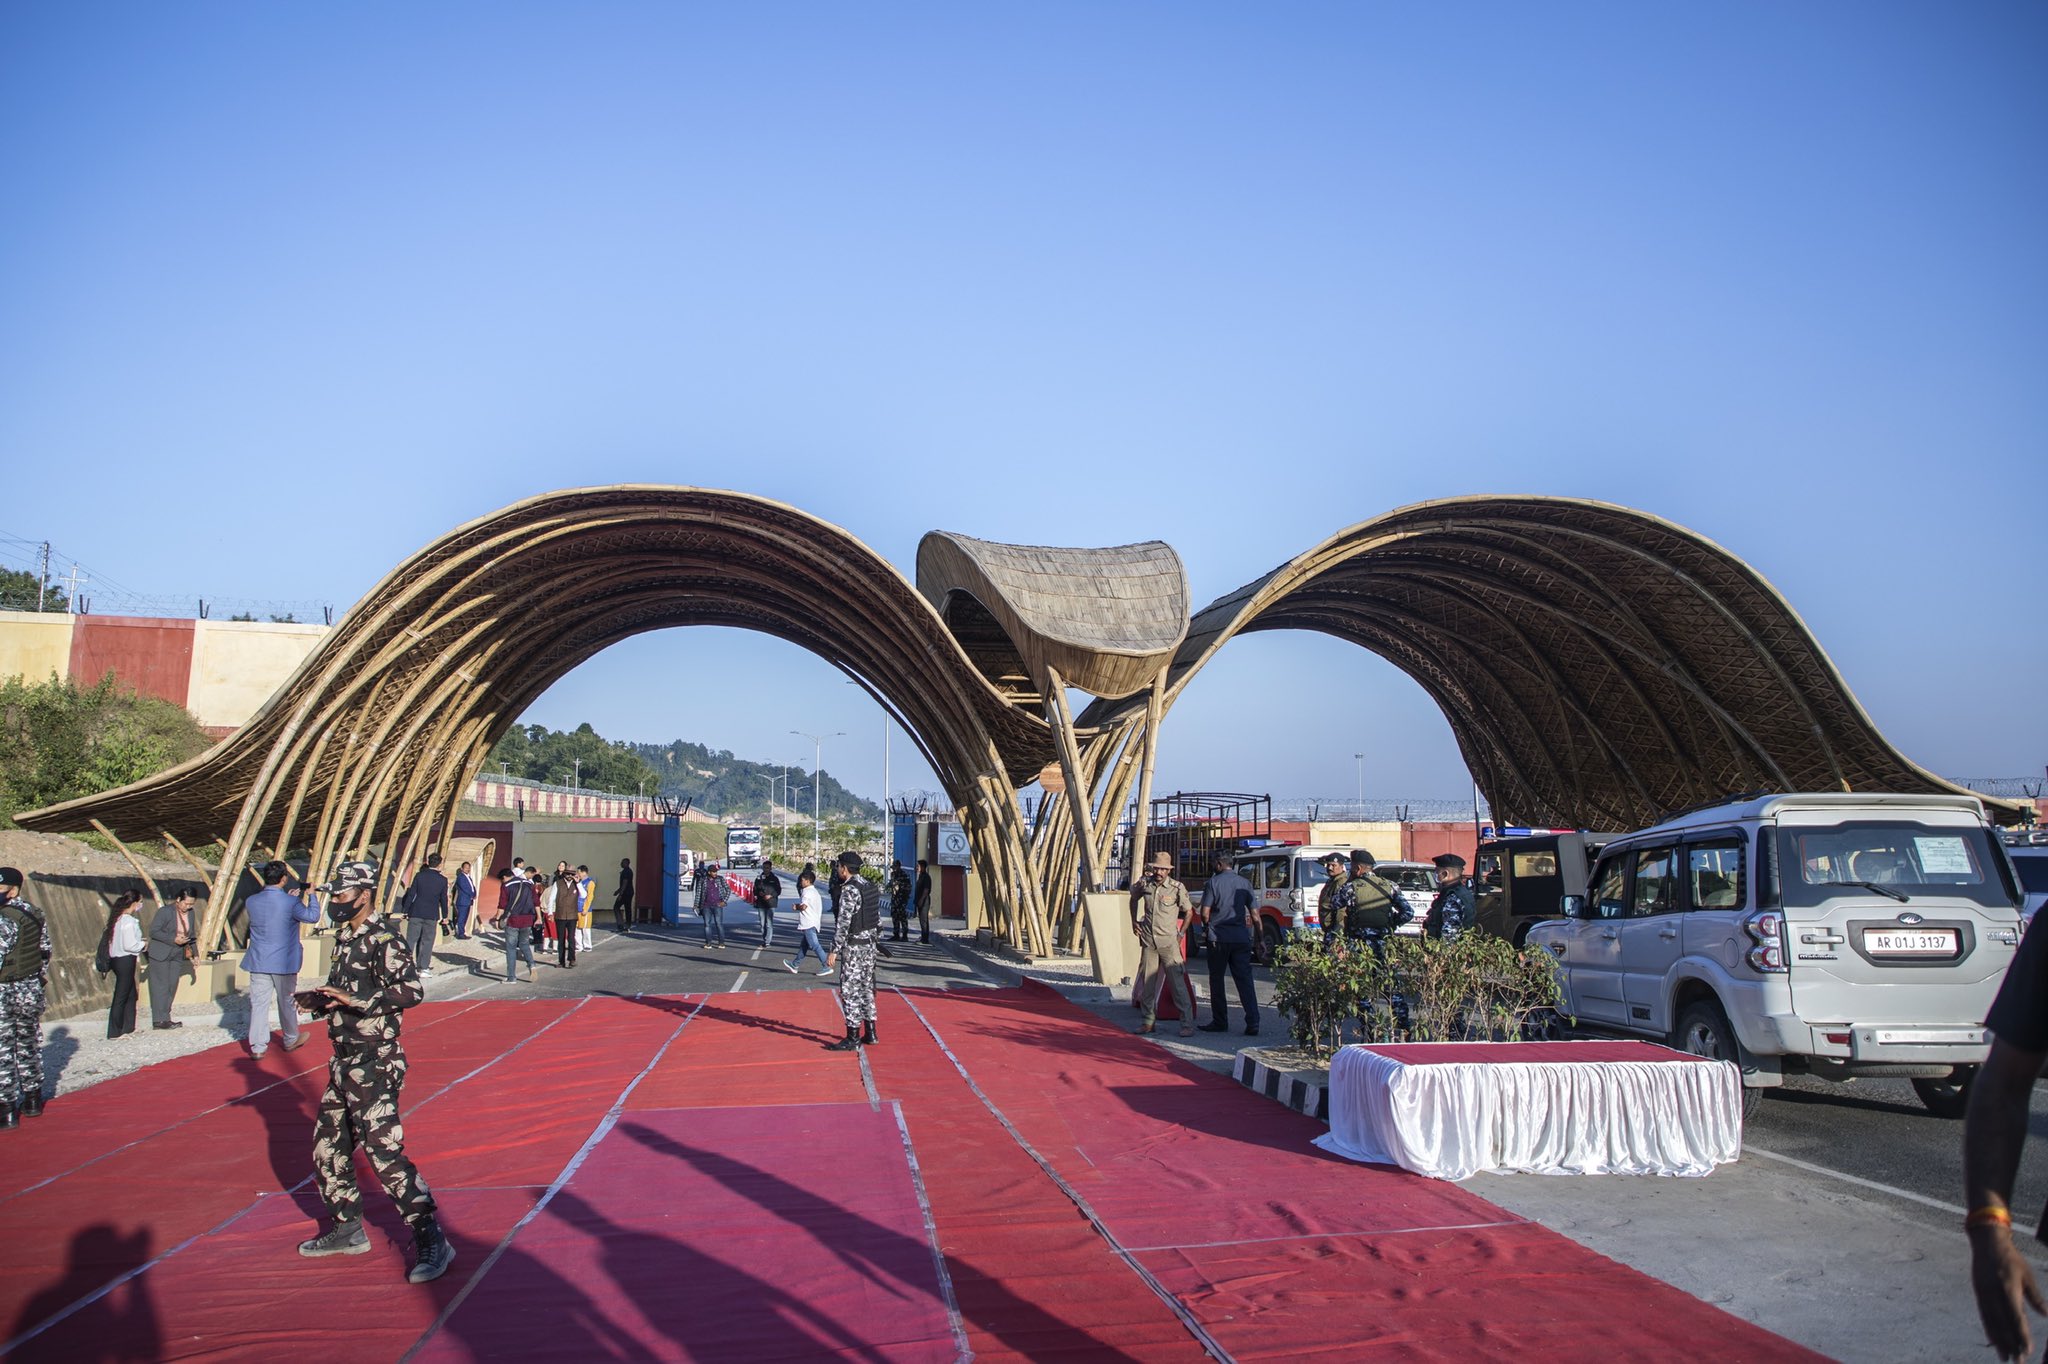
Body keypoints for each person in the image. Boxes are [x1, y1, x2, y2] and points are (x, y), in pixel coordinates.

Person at [294, 860, 453, 1284]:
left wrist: (355, 999)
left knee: (384, 1152)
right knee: (328, 1148)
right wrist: (325, 1000)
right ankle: (347, 1228)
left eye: (342, 896)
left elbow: (411, 990)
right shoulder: (346, 939)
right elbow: (348, 993)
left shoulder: (384, 939)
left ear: (364, 895)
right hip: (344, 1058)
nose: (336, 903)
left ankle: (431, 1237)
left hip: (375, 1059)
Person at [242, 861, 322, 1059]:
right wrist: (311, 895)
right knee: (286, 1001)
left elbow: (272, 913)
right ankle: (290, 1037)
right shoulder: (291, 903)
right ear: (284, 878)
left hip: (259, 959)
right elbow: (312, 917)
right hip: (283, 960)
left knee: (259, 1004)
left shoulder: (252, 901)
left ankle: (258, 1047)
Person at [0, 868, 51, 1125]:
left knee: (4, 1050)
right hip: (30, 988)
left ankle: (7, 1109)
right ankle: (32, 1099)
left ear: (14, 889)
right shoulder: (34, 913)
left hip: (5, 992)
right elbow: (45, 953)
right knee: (29, 1044)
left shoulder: (5, 918)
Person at [1130, 851, 1196, 1038]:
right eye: (1157, 868)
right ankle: (1148, 1022)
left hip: (1169, 943)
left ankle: (1187, 1024)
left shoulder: (1176, 888)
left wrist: (1181, 933)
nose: (1160, 872)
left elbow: (1189, 912)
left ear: (1169, 871)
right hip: (1149, 941)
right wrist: (1133, 921)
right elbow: (1133, 898)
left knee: (1177, 985)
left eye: (1164, 869)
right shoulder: (1145, 884)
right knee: (1148, 984)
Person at [1198, 852, 1261, 1037]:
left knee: (1217, 980)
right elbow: (1256, 916)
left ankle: (1220, 1021)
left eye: (1212, 863)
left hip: (1218, 938)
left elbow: (1204, 912)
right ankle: (1253, 1021)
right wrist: (1260, 939)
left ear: (1218, 864)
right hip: (1241, 938)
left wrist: (1207, 927)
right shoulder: (1245, 883)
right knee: (1245, 981)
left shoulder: (1213, 883)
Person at [824, 853, 879, 1051]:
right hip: (870, 947)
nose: (838, 869)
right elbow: (876, 921)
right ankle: (871, 1032)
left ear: (844, 868)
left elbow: (843, 924)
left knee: (850, 991)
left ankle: (853, 1037)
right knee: (866, 989)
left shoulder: (850, 890)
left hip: (854, 948)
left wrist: (833, 950)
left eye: (839, 866)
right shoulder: (870, 887)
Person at [146, 886, 199, 1030]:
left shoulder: (191, 914)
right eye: (186, 903)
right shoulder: (165, 912)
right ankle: (159, 1019)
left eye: (191, 904)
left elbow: (192, 935)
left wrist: (195, 954)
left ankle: (166, 1017)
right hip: (161, 952)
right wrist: (173, 939)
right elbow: (154, 931)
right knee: (160, 986)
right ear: (178, 900)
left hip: (177, 953)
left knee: (172, 985)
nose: (187, 907)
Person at [102, 891, 146, 1040]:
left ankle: (128, 1026)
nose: (141, 905)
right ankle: (114, 1031)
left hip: (116, 959)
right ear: (134, 903)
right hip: (125, 959)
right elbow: (130, 945)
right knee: (121, 995)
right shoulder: (128, 921)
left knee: (130, 993)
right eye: (140, 902)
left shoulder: (116, 919)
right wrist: (143, 944)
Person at [400, 854, 448, 975]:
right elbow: (443, 899)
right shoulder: (442, 880)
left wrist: (405, 910)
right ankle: (423, 967)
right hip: (431, 914)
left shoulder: (419, 876)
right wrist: (445, 915)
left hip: (416, 911)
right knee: (427, 941)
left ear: (428, 862)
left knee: (411, 940)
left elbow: (411, 894)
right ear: (439, 864)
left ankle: (406, 966)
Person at [782, 867, 832, 975]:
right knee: (804, 945)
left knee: (814, 944)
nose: (801, 882)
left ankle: (826, 965)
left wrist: (796, 907)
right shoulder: (814, 891)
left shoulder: (807, 892)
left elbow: (804, 906)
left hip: (808, 922)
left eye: (802, 880)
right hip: (813, 921)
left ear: (808, 881)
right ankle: (795, 964)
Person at [492, 868, 538, 983]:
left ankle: (511, 977)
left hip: (513, 919)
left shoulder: (506, 886)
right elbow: (536, 901)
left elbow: (502, 905)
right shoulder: (529, 884)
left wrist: (497, 920)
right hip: (527, 919)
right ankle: (532, 965)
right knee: (524, 944)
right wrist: (539, 918)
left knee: (511, 948)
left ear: (504, 877)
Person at [1424, 853, 1476, 942]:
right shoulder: (1460, 892)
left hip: (1447, 951)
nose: (1435, 875)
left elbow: (1450, 933)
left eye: (1436, 872)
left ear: (1445, 874)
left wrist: (1442, 953)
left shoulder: (1453, 896)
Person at [549, 864, 581, 968]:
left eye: (571, 874)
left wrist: (578, 883)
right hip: (560, 915)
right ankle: (561, 960)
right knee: (561, 939)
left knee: (571, 938)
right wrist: (550, 912)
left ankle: (572, 959)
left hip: (572, 916)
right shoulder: (557, 884)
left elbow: (584, 895)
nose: (569, 876)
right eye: (567, 873)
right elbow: (551, 899)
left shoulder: (577, 884)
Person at [752, 859, 782, 948]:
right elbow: (754, 890)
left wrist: (771, 896)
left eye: (767, 868)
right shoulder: (758, 878)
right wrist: (758, 893)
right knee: (762, 923)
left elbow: (778, 891)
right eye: (764, 868)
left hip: (771, 904)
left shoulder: (775, 879)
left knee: (769, 923)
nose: (766, 869)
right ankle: (764, 938)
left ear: (770, 868)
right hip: (761, 904)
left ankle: (767, 941)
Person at [699, 861, 727, 948]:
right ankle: (708, 943)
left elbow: (728, 890)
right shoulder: (703, 880)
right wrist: (696, 905)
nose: (715, 873)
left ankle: (721, 943)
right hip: (706, 905)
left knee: (719, 924)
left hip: (718, 905)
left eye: (716, 872)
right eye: (713, 872)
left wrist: (724, 901)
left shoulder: (720, 879)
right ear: (709, 872)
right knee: (707, 924)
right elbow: (698, 893)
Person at [451, 861, 477, 940]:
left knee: (465, 917)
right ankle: (460, 933)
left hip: (468, 900)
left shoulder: (468, 877)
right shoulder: (461, 877)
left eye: (469, 868)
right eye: (466, 868)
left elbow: (472, 887)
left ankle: (462, 932)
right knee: (461, 917)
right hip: (463, 900)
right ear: (462, 868)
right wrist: (472, 894)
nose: (468, 869)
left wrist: (474, 894)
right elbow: (465, 888)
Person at [888, 860, 913, 942]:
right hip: (894, 899)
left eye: (895, 867)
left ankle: (905, 935)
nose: (893, 869)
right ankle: (896, 934)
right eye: (893, 868)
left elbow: (908, 888)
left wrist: (904, 897)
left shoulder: (904, 875)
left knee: (902, 917)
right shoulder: (893, 875)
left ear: (898, 866)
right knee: (894, 917)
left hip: (902, 899)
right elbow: (890, 885)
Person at [611, 857, 634, 934]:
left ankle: (621, 925)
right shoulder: (628, 871)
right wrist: (617, 891)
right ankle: (627, 925)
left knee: (616, 907)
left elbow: (625, 883)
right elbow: (624, 885)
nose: (621, 863)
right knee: (628, 908)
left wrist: (620, 894)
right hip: (629, 892)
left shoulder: (626, 872)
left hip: (625, 893)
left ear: (627, 863)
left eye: (622, 862)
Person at [575, 865, 595, 952]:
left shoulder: (590, 883)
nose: (577, 874)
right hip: (577, 908)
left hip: (585, 909)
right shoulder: (578, 882)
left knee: (586, 928)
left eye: (579, 872)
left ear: (584, 872)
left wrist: (586, 908)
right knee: (577, 928)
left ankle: (587, 945)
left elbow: (590, 896)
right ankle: (579, 945)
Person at [914, 859, 933, 944]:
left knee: (924, 920)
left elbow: (926, 890)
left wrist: (921, 900)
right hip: (920, 900)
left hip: (924, 901)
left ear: (923, 867)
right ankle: (923, 936)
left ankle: (925, 939)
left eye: (918, 866)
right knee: (921, 920)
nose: (917, 867)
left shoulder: (926, 877)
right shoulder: (921, 876)